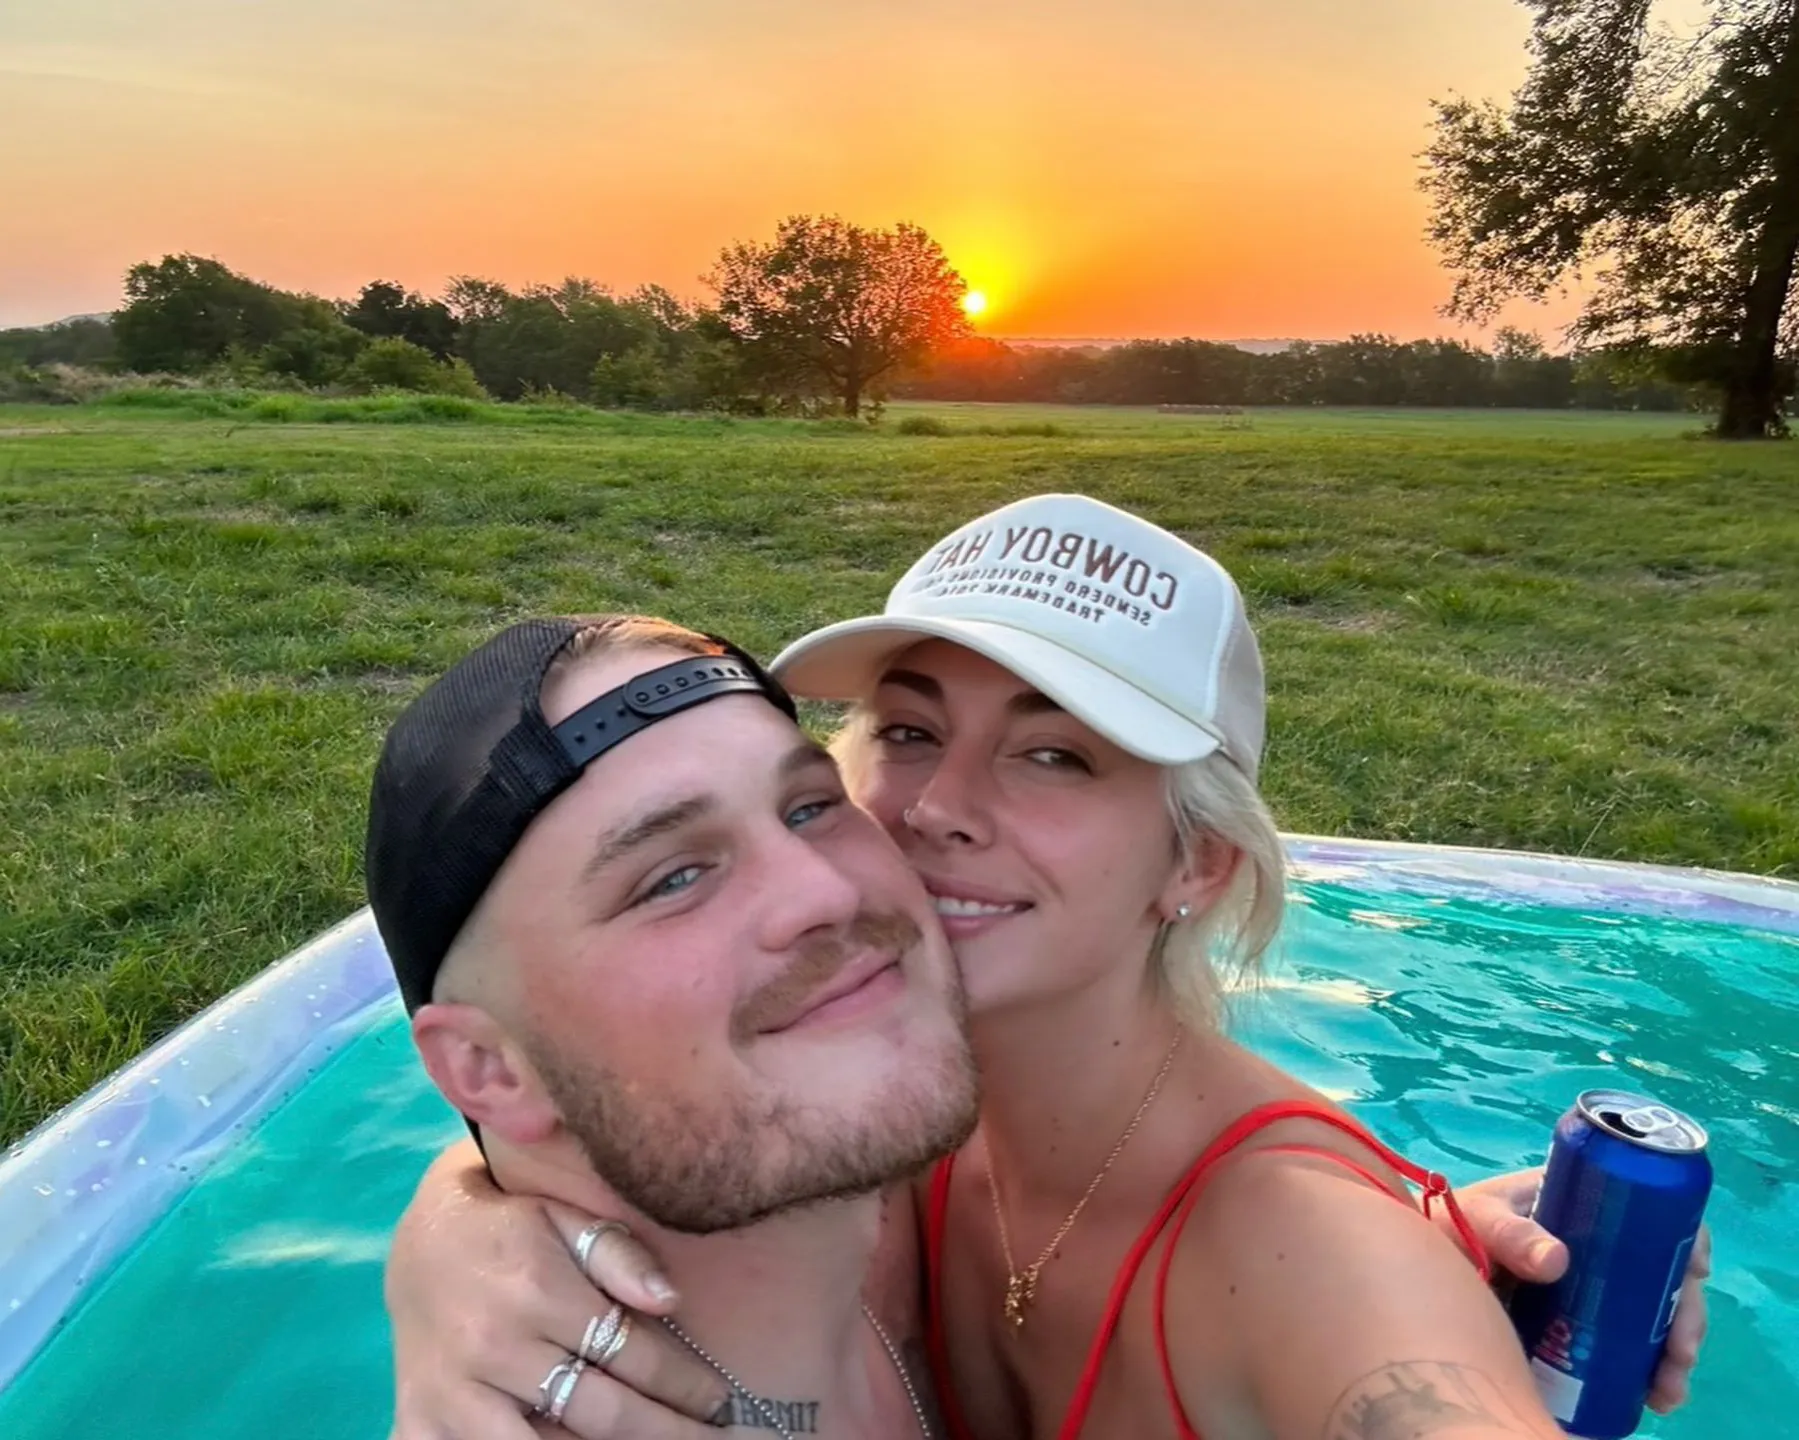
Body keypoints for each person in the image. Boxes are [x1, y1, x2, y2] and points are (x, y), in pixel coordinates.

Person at [381, 497, 1710, 1439]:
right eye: (905, 729)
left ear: (1194, 870)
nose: (932, 807)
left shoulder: (1312, 1252)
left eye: (1054, 753)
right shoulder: (886, 1125)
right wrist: (456, 1231)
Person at [365, 614, 983, 1437]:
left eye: (807, 808)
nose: (824, 893)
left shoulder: (893, 1222)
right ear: (487, 1067)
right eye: (674, 877)